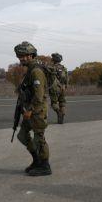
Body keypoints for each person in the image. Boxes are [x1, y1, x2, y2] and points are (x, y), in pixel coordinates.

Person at [14, 41, 52, 176]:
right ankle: (36, 160)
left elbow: (39, 95)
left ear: (31, 55)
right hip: (29, 110)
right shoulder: (29, 69)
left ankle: (45, 166)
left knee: (39, 138)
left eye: (24, 55)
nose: (21, 58)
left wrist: (30, 110)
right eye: (20, 56)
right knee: (22, 135)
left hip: (37, 111)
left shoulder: (36, 71)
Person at [51, 52, 68, 124]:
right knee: (62, 103)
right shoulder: (64, 68)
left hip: (55, 88)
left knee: (54, 103)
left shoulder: (52, 68)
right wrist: (65, 86)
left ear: (54, 59)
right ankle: (61, 118)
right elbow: (66, 79)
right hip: (63, 88)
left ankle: (59, 113)